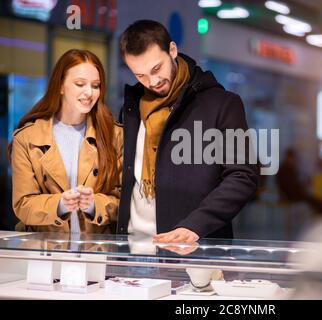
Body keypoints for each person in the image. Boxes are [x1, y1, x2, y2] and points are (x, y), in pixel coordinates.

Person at [117, 20, 259, 243]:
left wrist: (196, 225)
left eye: (156, 68)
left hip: (195, 247)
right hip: (134, 248)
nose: (152, 81)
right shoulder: (131, 108)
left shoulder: (222, 104)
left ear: (172, 50)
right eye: (140, 75)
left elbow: (243, 174)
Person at [9, 49, 123, 234]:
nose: (89, 93)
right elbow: (23, 204)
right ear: (60, 85)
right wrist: (60, 205)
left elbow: (124, 203)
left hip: (97, 251)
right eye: (80, 84)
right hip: (43, 252)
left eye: (95, 85)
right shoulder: (26, 138)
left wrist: (94, 205)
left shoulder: (115, 135)